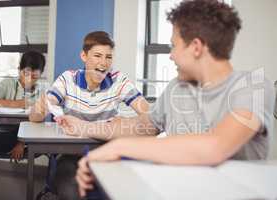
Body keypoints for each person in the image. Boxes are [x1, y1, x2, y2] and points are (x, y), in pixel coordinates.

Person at [54, 0, 275, 198]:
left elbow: (216, 146)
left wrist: (118, 147)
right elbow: (140, 127)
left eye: (174, 46)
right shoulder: (177, 88)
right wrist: (83, 126)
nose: (171, 55)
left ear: (196, 47)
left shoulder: (252, 86)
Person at [29, 31, 149, 200]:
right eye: (98, 56)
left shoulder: (119, 80)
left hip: (107, 154)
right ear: (83, 56)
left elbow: (149, 116)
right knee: (71, 192)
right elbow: (35, 117)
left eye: (108, 57)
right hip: (72, 157)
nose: (103, 63)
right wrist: (39, 109)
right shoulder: (68, 79)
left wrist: (127, 121)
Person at [0, 50, 46, 160]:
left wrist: (21, 142)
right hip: (4, 132)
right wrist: (18, 104)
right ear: (19, 69)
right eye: (26, 74)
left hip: (28, 136)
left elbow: (39, 121)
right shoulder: (7, 83)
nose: (29, 80)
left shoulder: (41, 91)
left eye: (34, 77)